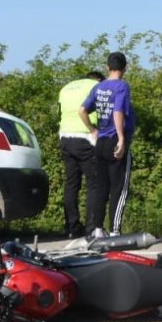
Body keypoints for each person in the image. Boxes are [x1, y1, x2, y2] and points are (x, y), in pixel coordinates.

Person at [78, 52, 135, 238]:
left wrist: (92, 129)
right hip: (114, 140)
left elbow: (82, 110)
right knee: (118, 188)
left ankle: (97, 228)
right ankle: (115, 231)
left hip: (101, 141)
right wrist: (121, 138)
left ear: (107, 67)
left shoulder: (99, 87)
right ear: (124, 68)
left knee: (100, 187)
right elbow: (118, 111)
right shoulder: (122, 86)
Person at [57, 70, 104, 239]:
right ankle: (92, 228)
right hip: (85, 137)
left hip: (65, 137)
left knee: (71, 184)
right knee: (94, 184)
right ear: (98, 79)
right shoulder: (97, 86)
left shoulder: (66, 87)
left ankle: (71, 227)